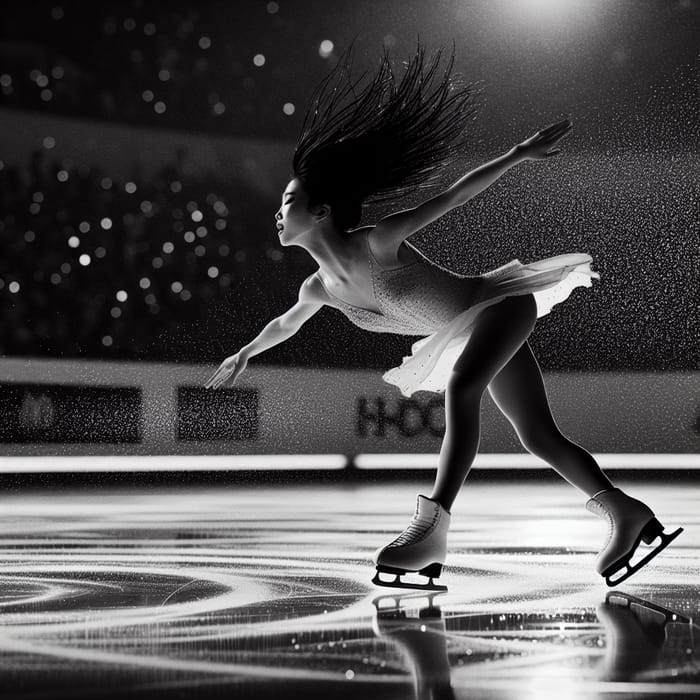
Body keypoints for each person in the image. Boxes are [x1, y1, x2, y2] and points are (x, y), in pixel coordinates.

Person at [205, 41, 683, 591]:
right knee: (536, 435)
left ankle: (432, 526)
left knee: (462, 388)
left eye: (288, 201)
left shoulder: (378, 243)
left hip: (497, 305)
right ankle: (625, 512)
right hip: (468, 329)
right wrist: (244, 352)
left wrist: (517, 154)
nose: (277, 211)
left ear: (322, 211)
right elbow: (286, 323)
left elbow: (455, 196)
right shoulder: (319, 286)